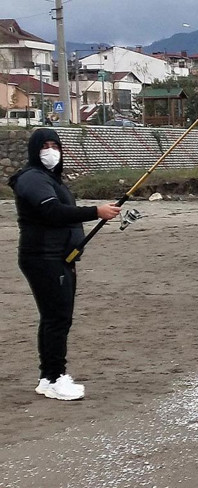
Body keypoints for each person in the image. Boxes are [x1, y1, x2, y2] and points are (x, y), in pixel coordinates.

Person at [8, 128, 121, 400]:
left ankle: (49, 377)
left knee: (57, 318)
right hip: (43, 259)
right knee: (57, 318)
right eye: (45, 145)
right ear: (35, 150)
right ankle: (55, 377)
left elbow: (63, 214)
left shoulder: (52, 180)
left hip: (60, 258)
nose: (51, 151)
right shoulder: (32, 179)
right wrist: (96, 211)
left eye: (55, 145)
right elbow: (52, 212)